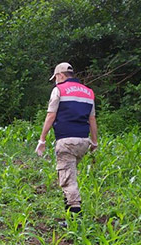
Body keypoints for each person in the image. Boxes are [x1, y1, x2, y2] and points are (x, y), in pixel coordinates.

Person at [37, 62, 98, 217]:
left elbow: (51, 115)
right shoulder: (88, 92)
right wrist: (94, 142)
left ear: (61, 75)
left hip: (66, 141)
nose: (55, 81)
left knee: (68, 181)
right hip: (83, 142)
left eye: (55, 78)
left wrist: (42, 140)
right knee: (68, 174)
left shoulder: (59, 90)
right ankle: (71, 213)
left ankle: (75, 219)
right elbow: (92, 119)